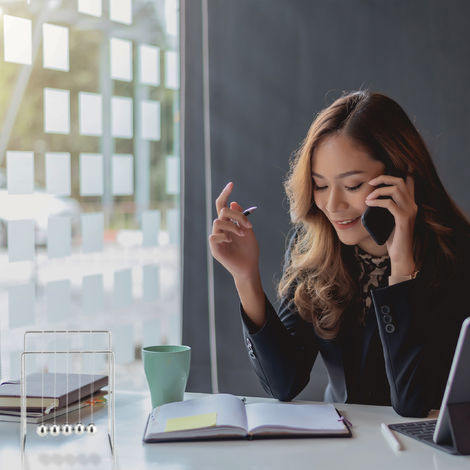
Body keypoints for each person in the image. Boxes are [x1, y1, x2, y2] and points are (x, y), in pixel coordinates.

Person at [209, 90, 470, 418]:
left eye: (352, 186)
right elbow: (284, 383)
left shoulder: (456, 257)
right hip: (345, 446)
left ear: (403, 178)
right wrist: (245, 276)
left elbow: (412, 404)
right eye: (320, 186)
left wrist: (402, 268)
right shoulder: (315, 246)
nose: (333, 206)